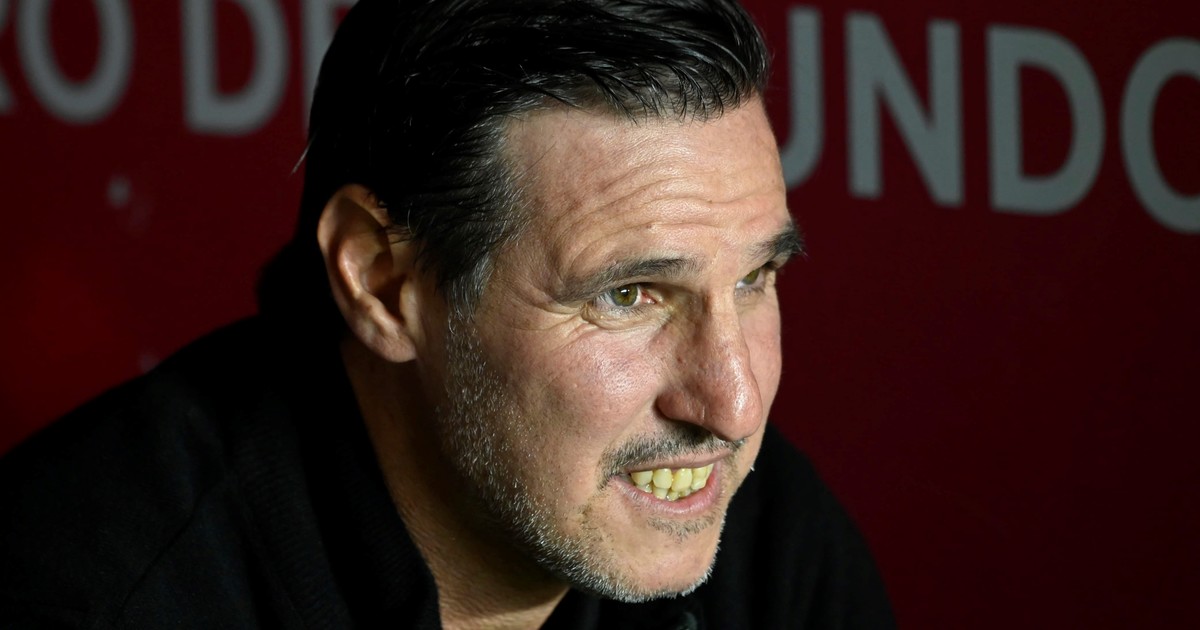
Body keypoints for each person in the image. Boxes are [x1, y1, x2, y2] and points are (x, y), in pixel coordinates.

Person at [0, 0, 893, 627]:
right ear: (383, 282)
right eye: (629, 296)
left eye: (757, 277)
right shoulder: (94, 595)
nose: (733, 404)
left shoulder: (766, 539)